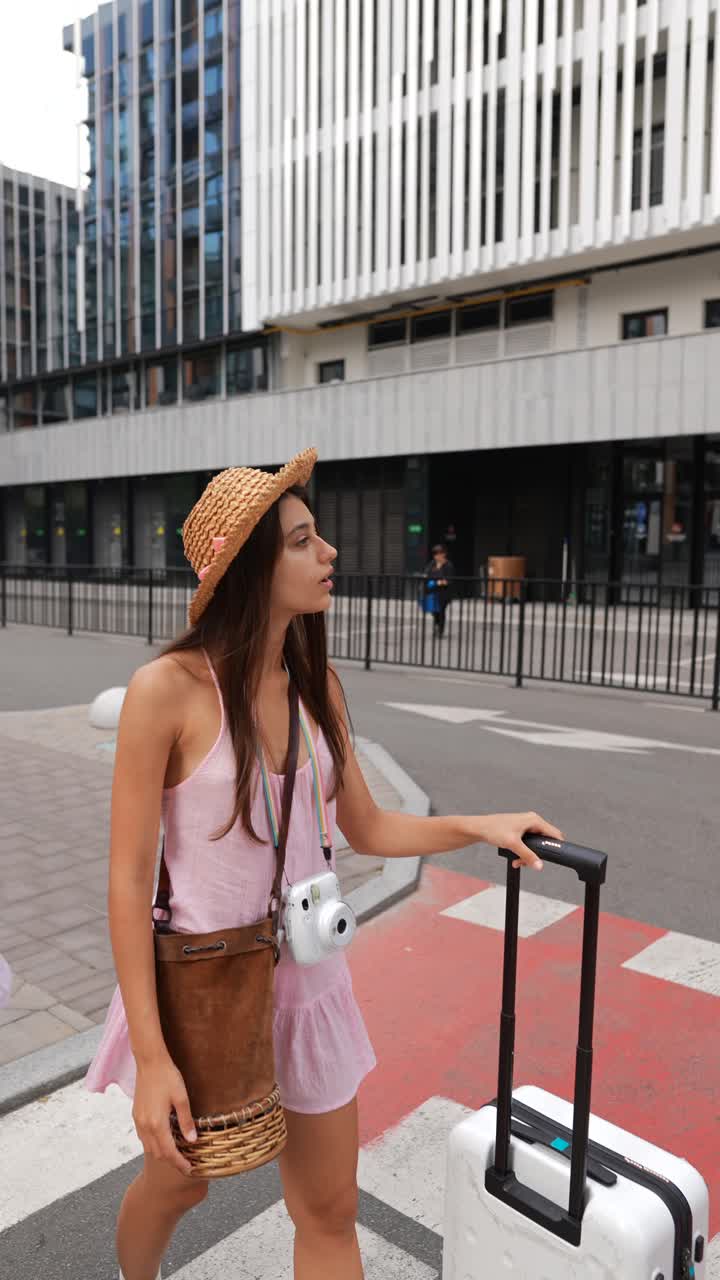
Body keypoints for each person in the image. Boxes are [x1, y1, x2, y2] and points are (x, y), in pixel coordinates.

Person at [84, 447, 562, 1280]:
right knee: (178, 1188)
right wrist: (154, 1059)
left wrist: (481, 825)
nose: (329, 552)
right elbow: (127, 883)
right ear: (246, 568)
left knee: (330, 1210)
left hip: (310, 988)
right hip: (205, 990)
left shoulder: (318, 686)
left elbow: (369, 827)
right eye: (303, 540)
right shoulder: (166, 691)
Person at [423, 542, 455, 638]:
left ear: (444, 554)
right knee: (434, 611)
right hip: (433, 592)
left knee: (441, 610)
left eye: (439, 554)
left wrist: (437, 583)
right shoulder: (432, 564)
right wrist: (427, 580)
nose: (437, 556)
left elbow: (448, 580)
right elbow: (426, 573)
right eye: (435, 554)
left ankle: (440, 630)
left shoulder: (448, 565)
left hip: (444, 593)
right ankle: (436, 625)